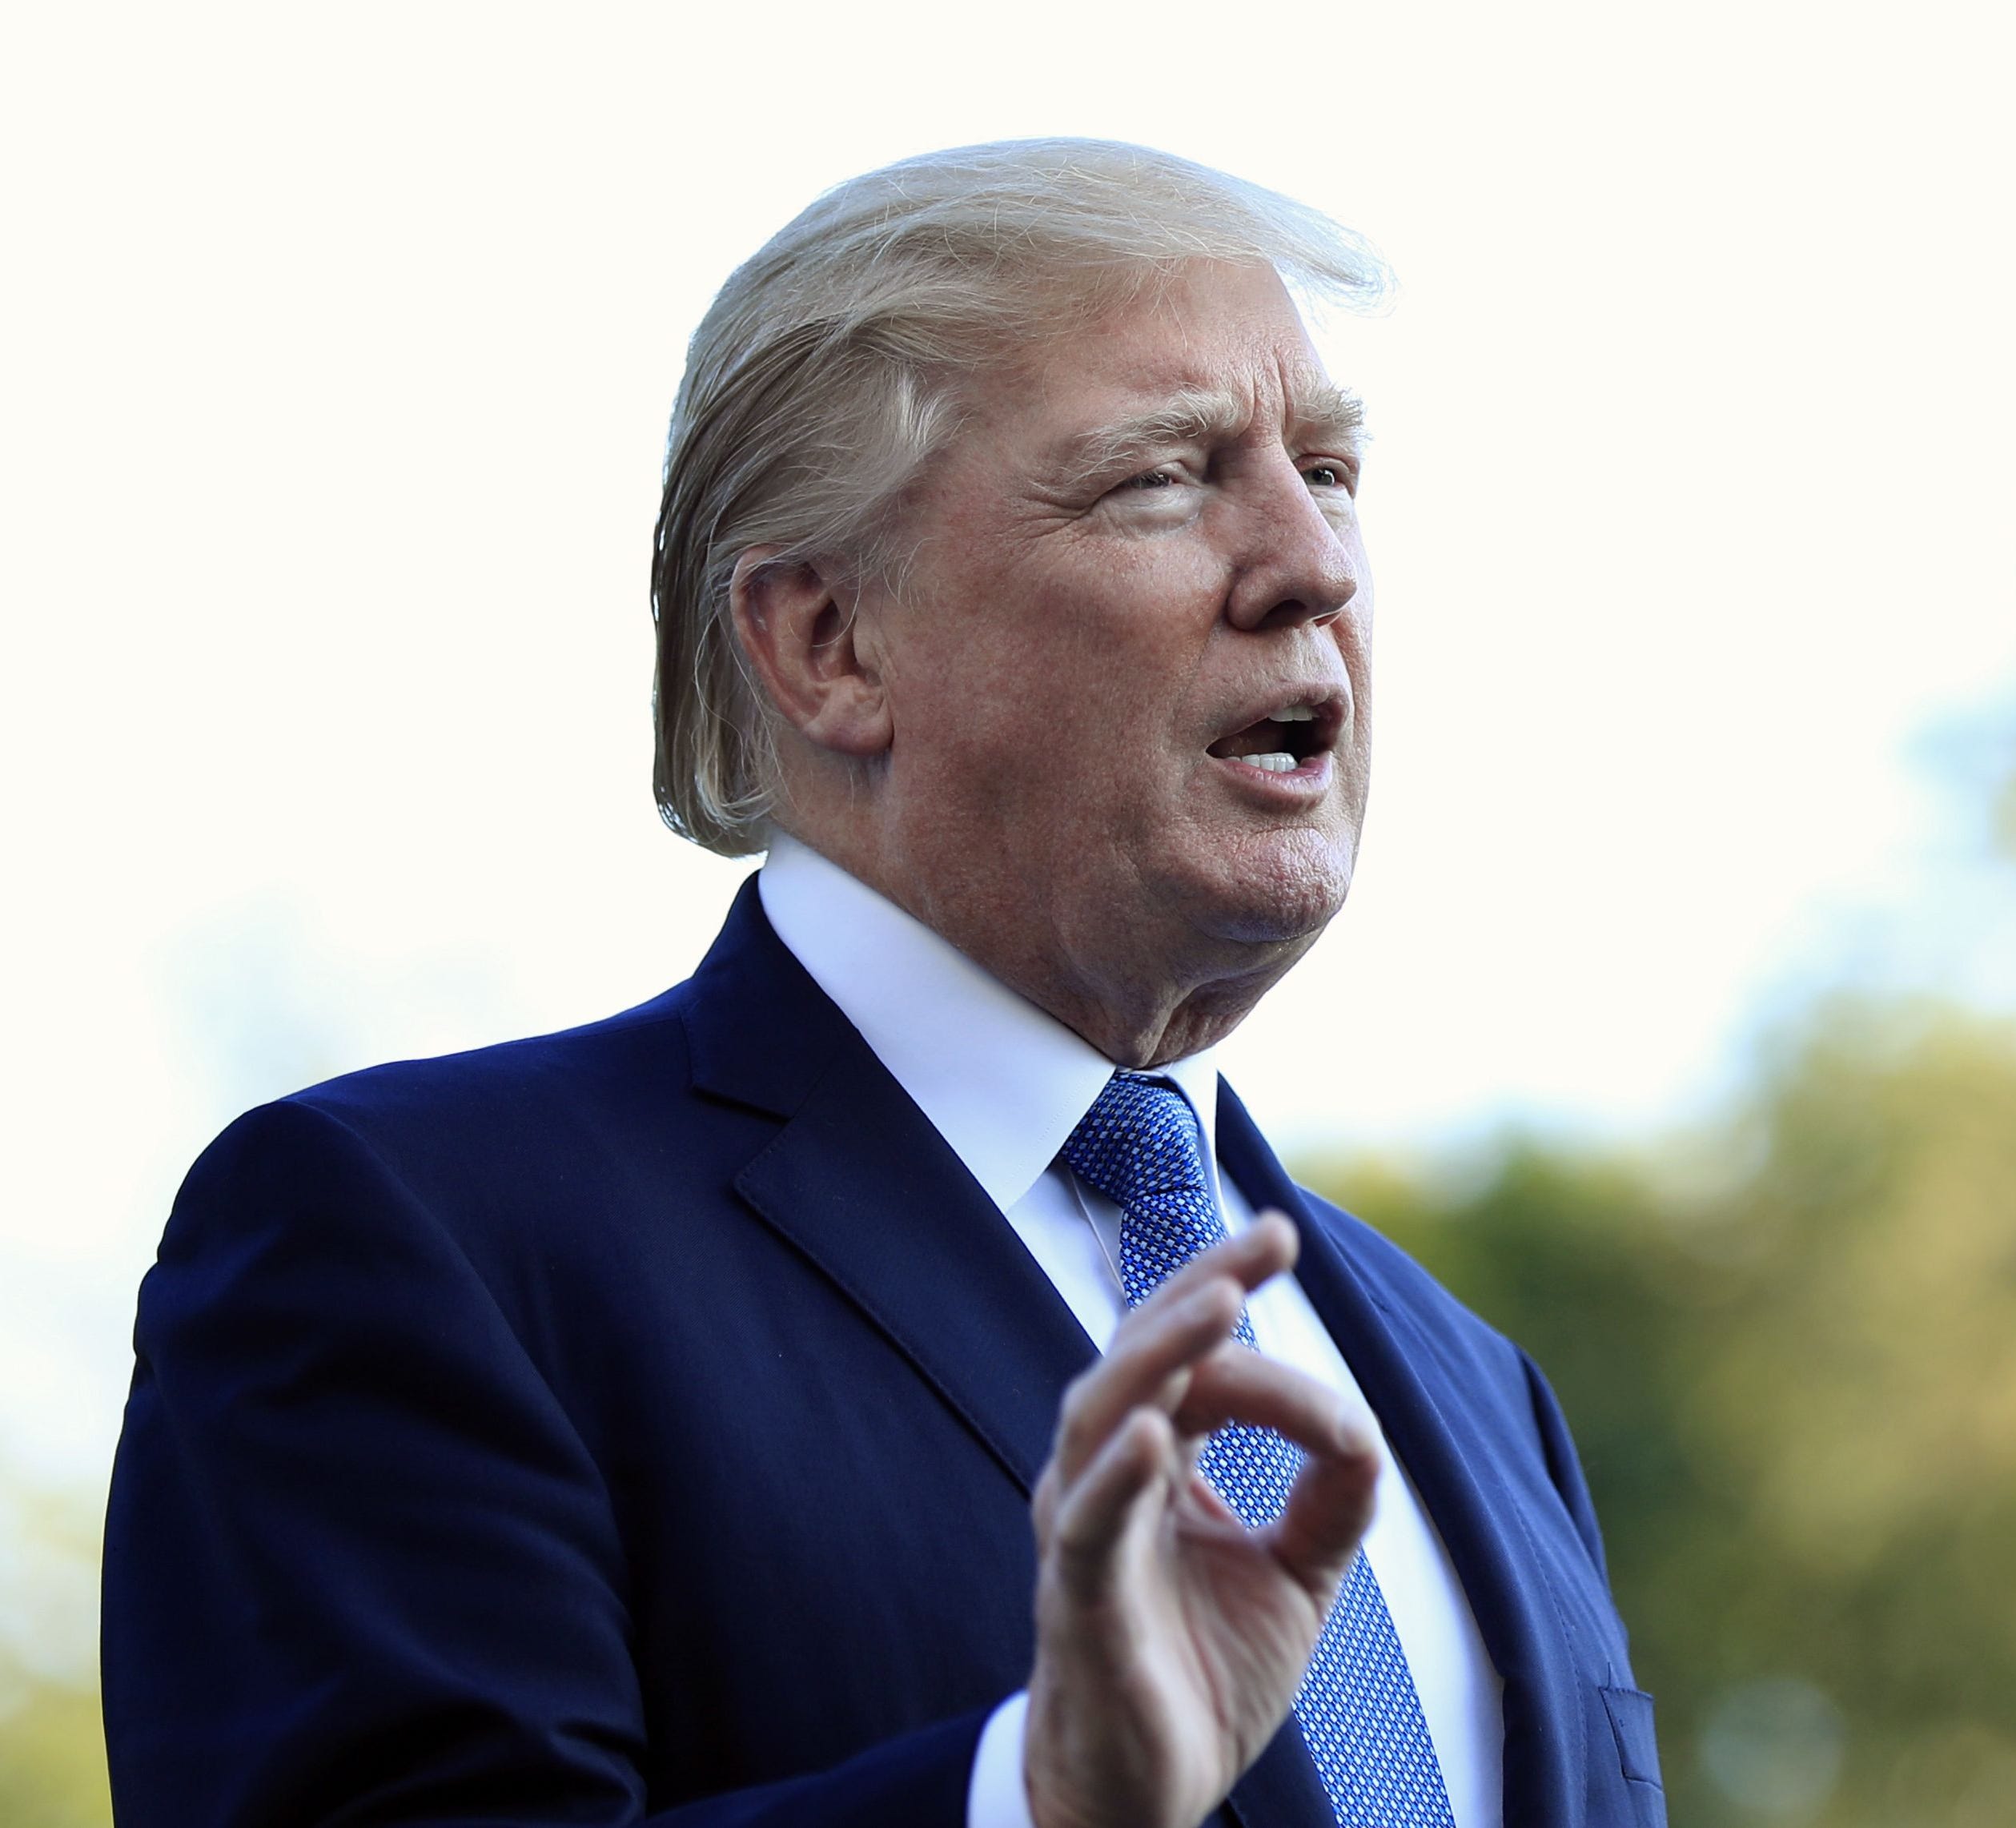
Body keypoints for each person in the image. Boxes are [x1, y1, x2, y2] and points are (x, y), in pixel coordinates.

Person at [102, 140, 1667, 1828]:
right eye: (1163, 477)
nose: (1314, 564)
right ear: (826, 642)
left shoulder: (1473, 1381)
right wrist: (1033, 1798)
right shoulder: (416, 1238)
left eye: (1331, 468)